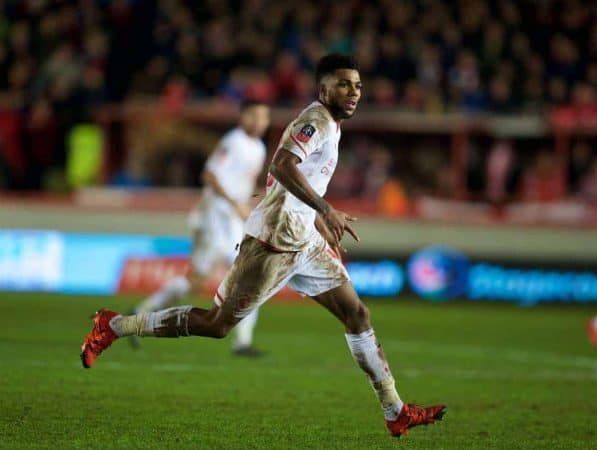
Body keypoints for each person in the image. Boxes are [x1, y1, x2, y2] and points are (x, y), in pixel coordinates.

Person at [80, 54, 446, 438]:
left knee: (357, 315)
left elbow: (291, 179)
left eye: (357, 85)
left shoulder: (331, 125)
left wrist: (318, 222)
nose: (353, 92)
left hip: (302, 238)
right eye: (343, 84)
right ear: (323, 89)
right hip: (272, 241)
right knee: (217, 325)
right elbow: (282, 166)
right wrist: (325, 208)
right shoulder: (316, 121)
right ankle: (117, 325)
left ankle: (395, 411)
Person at [130, 99, 270, 356]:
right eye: (255, 116)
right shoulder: (233, 141)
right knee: (203, 280)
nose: (260, 122)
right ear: (244, 117)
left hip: (233, 220)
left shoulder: (259, 148)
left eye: (264, 117)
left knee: (245, 275)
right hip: (215, 217)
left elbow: (243, 184)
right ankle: (140, 313)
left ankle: (242, 342)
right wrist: (233, 204)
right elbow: (210, 175)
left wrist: (250, 205)